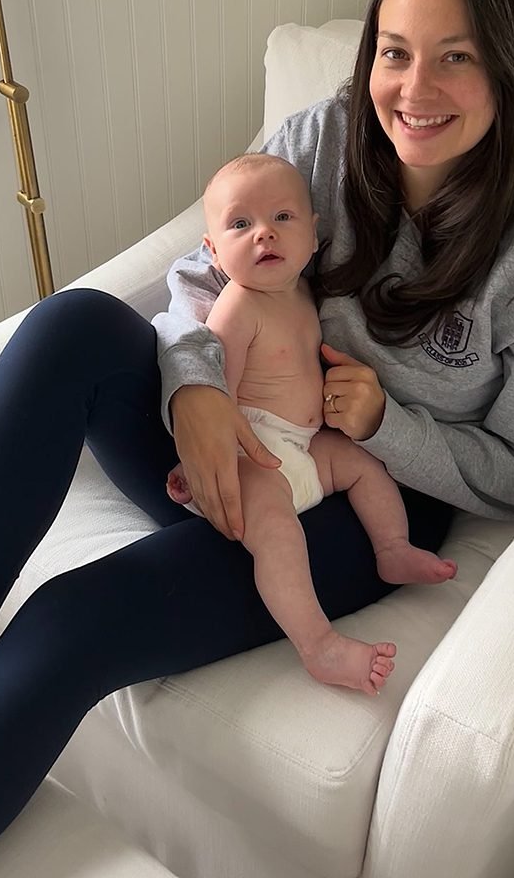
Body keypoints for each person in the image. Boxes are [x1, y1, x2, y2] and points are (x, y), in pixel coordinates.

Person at [0, 0, 514, 878]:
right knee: (70, 325)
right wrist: (196, 387)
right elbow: (199, 277)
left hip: (348, 500)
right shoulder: (322, 140)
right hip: (227, 432)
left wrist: (385, 426)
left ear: (511, 71)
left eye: (457, 57)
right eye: (395, 52)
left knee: (70, 623)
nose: (414, 89)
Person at [167, 151, 457, 695]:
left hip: (305, 444)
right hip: (252, 452)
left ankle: (392, 548)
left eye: (283, 217)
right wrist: (194, 463)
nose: (264, 234)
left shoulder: (306, 293)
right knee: (278, 534)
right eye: (240, 224)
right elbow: (214, 400)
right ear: (213, 251)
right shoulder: (238, 306)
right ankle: (318, 645)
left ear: (315, 236)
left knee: (365, 463)